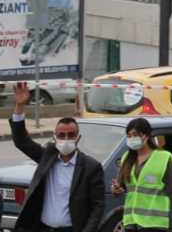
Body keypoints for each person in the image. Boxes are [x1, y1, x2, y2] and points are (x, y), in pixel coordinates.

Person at [9, 83, 105, 232]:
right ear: (55, 138)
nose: (66, 139)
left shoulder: (91, 167)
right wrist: (20, 106)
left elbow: (97, 208)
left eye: (71, 135)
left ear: (78, 138)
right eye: (61, 135)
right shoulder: (47, 157)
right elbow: (21, 141)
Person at [110, 118, 172, 232]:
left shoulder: (163, 157)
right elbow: (122, 185)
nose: (132, 139)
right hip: (131, 221)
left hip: (153, 222)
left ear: (146, 136)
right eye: (129, 135)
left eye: (135, 135)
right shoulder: (127, 158)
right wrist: (116, 189)